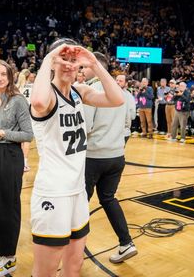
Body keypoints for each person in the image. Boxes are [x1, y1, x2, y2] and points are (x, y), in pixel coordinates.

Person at [30, 38, 124, 277]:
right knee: (46, 271)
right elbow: (39, 102)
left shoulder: (79, 92)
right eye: (63, 59)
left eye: (73, 61)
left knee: (74, 267)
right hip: (53, 192)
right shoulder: (47, 94)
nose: (69, 65)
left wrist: (93, 62)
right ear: (52, 62)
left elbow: (117, 99)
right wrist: (49, 59)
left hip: (78, 191)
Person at [0, 60, 33, 277]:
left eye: (3, 74)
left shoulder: (18, 100)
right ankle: (1, 251)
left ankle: (10, 258)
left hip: (10, 156)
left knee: (8, 206)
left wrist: (2, 133)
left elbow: (28, 134)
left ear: (10, 76)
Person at [83, 56, 138, 264]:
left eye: (84, 67)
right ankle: (126, 242)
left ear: (93, 68)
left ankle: (73, 248)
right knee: (108, 199)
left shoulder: (91, 90)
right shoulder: (120, 91)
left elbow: (86, 127)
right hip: (116, 155)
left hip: (94, 156)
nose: (81, 70)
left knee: (81, 203)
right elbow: (127, 123)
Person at [116, 74, 136, 144]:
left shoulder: (129, 97)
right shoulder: (112, 94)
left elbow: (132, 115)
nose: (117, 82)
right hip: (112, 131)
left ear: (126, 83)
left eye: (120, 81)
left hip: (123, 132)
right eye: (117, 80)